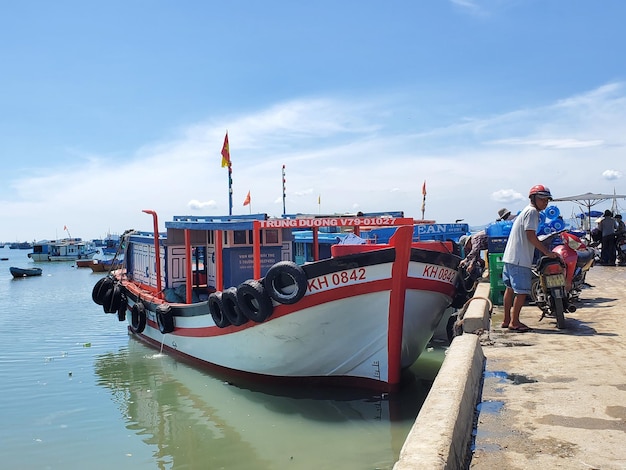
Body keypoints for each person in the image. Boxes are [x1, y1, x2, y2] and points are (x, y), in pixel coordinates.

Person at [501, 185, 558, 332]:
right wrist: (546, 252)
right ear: (533, 199)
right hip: (520, 258)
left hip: (510, 257)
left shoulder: (526, 211)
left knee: (510, 289)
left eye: (547, 200)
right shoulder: (533, 212)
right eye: (542, 199)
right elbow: (530, 235)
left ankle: (506, 320)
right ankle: (515, 322)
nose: (545, 202)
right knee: (522, 291)